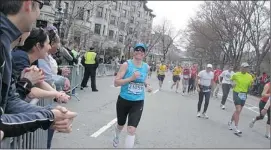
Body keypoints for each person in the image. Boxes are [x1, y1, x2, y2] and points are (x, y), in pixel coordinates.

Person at [0, 0, 76, 138]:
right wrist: (47, 115)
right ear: (29, 4)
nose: (39, 13)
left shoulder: (5, 45)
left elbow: (10, 102)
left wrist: (50, 115)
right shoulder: (8, 47)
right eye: (40, 5)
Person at [113, 43, 152, 148]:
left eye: (142, 50)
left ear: (144, 54)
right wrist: (131, 78)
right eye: (137, 50)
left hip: (138, 101)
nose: (139, 52)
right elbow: (116, 82)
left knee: (131, 129)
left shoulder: (146, 67)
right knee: (121, 124)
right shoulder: (126, 65)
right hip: (124, 99)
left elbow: (145, 79)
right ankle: (117, 135)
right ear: (134, 52)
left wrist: (147, 85)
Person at [228, 62, 253, 135]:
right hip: (236, 92)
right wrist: (232, 84)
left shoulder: (249, 76)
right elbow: (231, 80)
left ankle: (230, 122)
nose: (246, 69)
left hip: (244, 94)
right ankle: (236, 127)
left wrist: (251, 86)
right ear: (241, 67)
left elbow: (251, 85)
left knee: (238, 111)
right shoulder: (236, 74)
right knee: (238, 110)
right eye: (244, 67)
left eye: (247, 67)